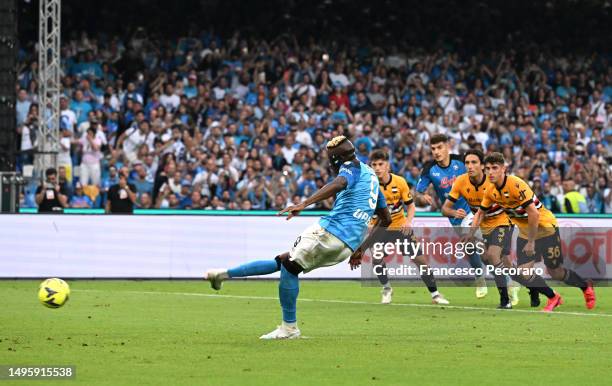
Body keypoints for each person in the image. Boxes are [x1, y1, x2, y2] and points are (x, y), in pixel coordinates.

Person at [204, 136, 391, 339]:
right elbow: (386, 219)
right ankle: (222, 275)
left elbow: (339, 183)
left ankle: (289, 328)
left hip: (330, 232)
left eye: (330, 158)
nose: (329, 163)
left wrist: (304, 203)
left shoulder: (350, 167)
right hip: (346, 245)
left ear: (336, 159)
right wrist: (361, 249)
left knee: (289, 267)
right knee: (284, 260)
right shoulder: (371, 176)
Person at [471, 152, 595, 312]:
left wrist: (531, 243)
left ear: (504, 168)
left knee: (555, 272)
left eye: (495, 168)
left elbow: (534, 213)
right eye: (487, 168)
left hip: (545, 228)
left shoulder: (516, 184)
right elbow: (480, 213)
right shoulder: (490, 191)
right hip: (525, 231)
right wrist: (469, 233)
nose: (491, 172)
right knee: (523, 273)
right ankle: (553, 297)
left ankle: (585, 287)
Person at [369, 149, 449, 305]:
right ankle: (386, 289)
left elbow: (410, 206)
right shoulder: (368, 185)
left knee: (420, 261)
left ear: (388, 166)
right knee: (377, 260)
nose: (377, 168)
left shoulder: (399, 182)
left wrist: (408, 222)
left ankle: (435, 294)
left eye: (381, 164)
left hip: (400, 227)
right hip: (379, 229)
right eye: (374, 165)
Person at [443, 150, 519, 308]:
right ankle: (501, 281)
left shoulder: (492, 181)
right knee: (486, 256)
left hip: (502, 220)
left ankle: (508, 290)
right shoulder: (461, 181)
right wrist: (453, 212)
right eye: (467, 163)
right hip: (480, 221)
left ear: (483, 166)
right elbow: (445, 208)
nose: (470, 166)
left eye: (474, 162)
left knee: (498, 257)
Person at [414, 134, 487, 298]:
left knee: (487, 248)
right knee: (471, 248)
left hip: (474, 209)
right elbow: (417, 194)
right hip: (454, 216)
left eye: (440, 147)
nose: (436, 152)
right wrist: (422, 197)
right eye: (433, 149)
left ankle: (506, 281)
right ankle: (480, 278)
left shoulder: (461, 161)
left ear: (448, 146)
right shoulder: (429, 169)